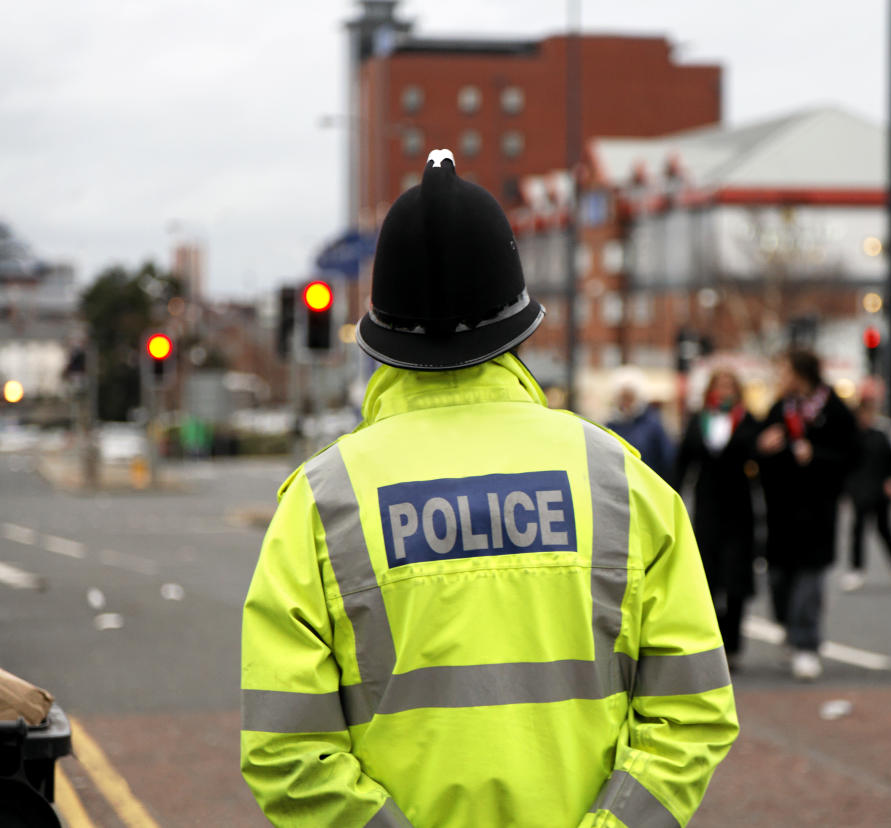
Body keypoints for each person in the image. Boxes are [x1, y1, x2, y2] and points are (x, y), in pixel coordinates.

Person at [240, 150, 737, 828]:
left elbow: (287, 750)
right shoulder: (619, 482)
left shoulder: (324, 502)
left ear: (380, 332)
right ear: (520, 323)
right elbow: (694, 710)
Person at [756, 348, 857, 680]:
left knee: (809, 579)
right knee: (779, 578)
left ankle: (807, 645)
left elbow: (851, 455)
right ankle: (789, 628)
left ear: (802, 374)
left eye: (786, 371)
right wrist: (764, 447)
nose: (781, 378)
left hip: (817, 509)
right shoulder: (779, 409)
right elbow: (758, 454)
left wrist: (817, 456)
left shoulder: (835, 410)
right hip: (781, 510)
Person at [673, 368, 760, 669]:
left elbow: (758, 455)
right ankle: (713, 644)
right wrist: (672, 498)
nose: (724, 390)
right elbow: (684, 461)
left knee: (736, 580)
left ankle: (734, 645)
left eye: (730, 384)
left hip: (739, 507)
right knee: (707, 578)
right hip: (707, 506)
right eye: (719, 384)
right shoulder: (699, 419)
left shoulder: (748, 420)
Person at [841, 397, 891, 592]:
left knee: (883, 527)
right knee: (857, 530)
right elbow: (845, 466)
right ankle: (856, 569)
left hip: (880, 490)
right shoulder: (851, 437)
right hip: (860, 490)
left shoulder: (880, 436)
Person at [606, 368, 676, 483]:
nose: (625, 403)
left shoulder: (653, 425)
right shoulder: (611, 426)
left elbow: (667, 459)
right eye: (622, 398)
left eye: (629, 398)